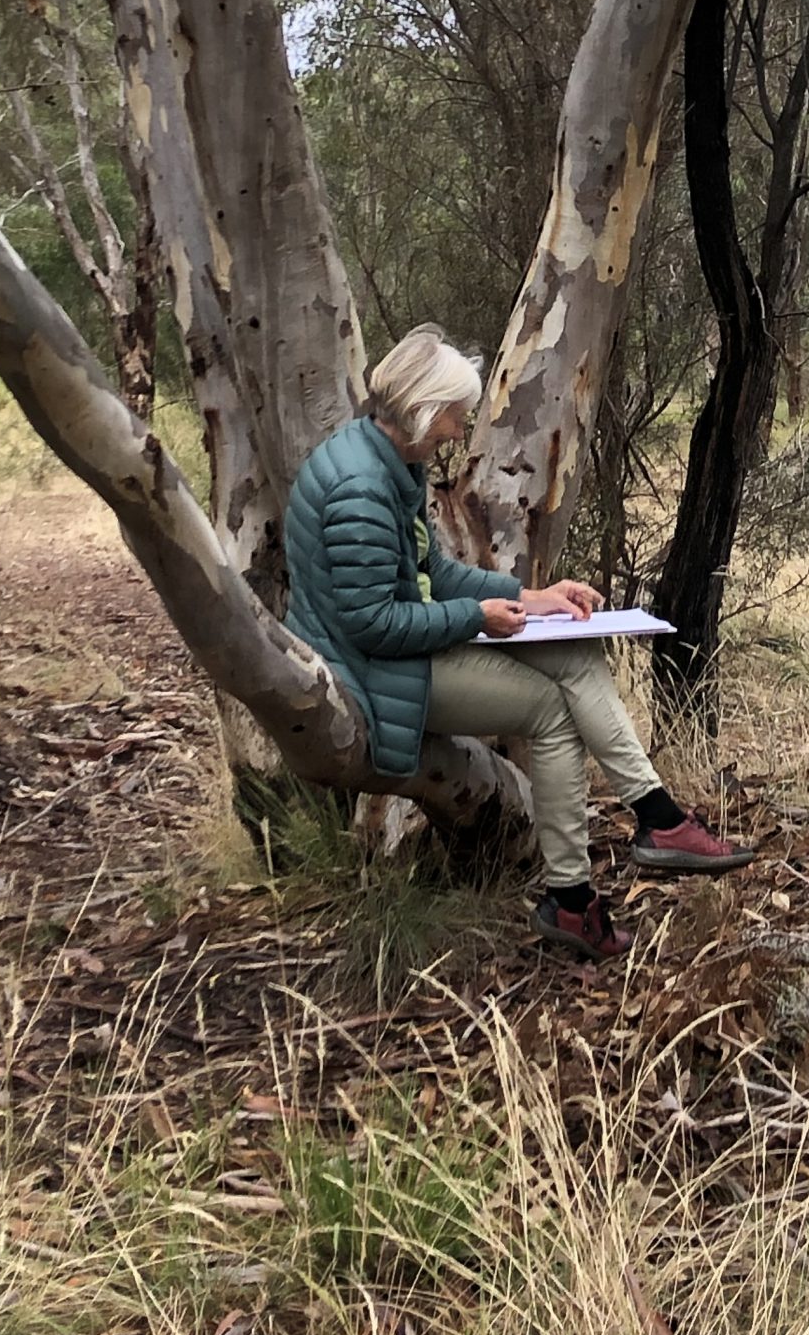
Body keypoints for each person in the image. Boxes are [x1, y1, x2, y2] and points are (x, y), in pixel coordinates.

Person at [284, 325, 752, 959]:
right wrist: (476, 617)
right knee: (551, 712)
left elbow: (431, 574)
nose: (459, 425)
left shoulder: (387, 461)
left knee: (575, 647)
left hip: (401, 650)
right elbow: (374, 624)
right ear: (423, 410)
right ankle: (576, 897)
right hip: (374, 674)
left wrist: (527, 598)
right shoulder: (361, 492)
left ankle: (656, 818)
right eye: (454, 413)